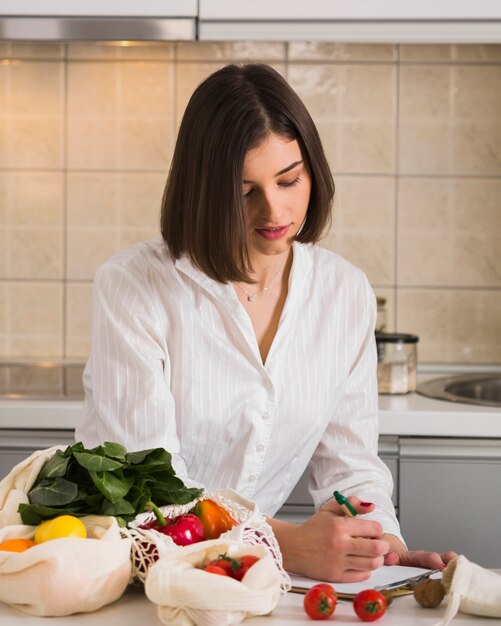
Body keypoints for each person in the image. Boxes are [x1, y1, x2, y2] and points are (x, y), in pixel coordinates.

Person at [76, 63, 456, 582]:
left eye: (289, 179)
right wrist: (286, 544)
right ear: (204, 191)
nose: (275, 210)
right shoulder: (134, 286)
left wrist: (379, 546)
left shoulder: (343, 293)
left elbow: (349, 465)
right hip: (121, 575)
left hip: (242, 582)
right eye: (244, 190)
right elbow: (149, 490)